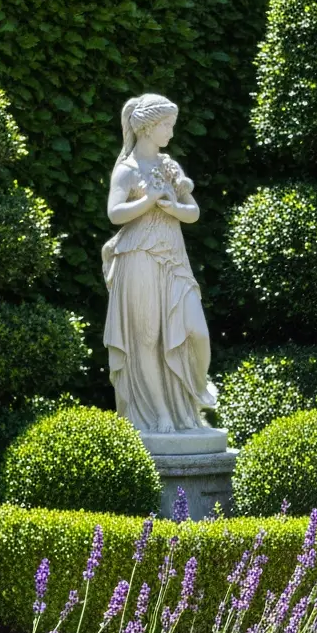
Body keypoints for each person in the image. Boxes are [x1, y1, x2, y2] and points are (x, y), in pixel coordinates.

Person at [102, 92, 216, 436]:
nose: (171, 131)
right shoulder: (126, 170)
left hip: (173, 259)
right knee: (147, 339)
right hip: (137, 258)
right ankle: (162, 413)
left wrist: (172, 207)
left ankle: (194, 395)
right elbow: (114, 213)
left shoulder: (169, 166)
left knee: (197, 332)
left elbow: (192, 212)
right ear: (149, 128)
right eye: (167, 125)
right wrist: (149, 200)